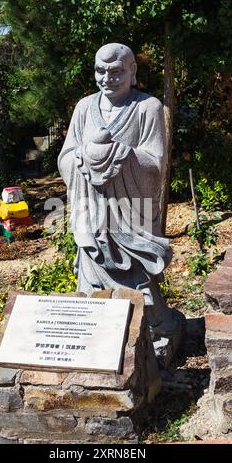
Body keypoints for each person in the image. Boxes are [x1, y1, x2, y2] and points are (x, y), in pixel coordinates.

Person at [58, 43, 177, 339]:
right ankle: (91, 319)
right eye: (100, 70)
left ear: (132, 71)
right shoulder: (84, 108)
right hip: (93, 211)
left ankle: (146, 321)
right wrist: (86, 156)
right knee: (92, 276)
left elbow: (155, 164)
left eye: (115, 71)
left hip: (130, 212)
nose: (107, 78)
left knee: (136, 278)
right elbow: (65, 157)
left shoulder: (147, 108)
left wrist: (118, 155)